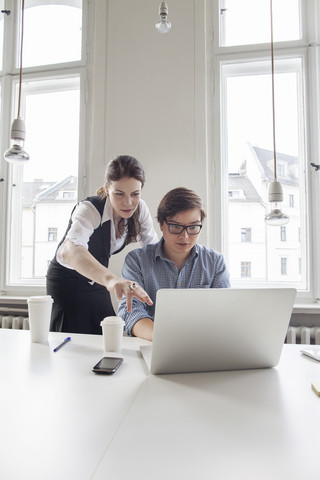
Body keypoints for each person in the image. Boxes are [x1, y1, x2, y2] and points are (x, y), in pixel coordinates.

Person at [46, 155, 158, 334]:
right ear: (107, 189)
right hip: (67, 282)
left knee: (106, 335)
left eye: (135, 194)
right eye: (119, 194)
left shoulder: (140, 209)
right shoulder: (89, 209)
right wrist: (113, 280)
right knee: (71, 345)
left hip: (98, 282)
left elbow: (153, 251)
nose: (128, 202)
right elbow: (70, 250)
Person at [118, 187, 230, 341]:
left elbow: (223, 313)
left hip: (203, 345)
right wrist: (166, 339)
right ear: (161, 224)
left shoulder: (215, 262)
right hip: (153, 344)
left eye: (192, 227)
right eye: (176, 227)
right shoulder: (137, 261)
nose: (184, 236)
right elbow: (131, 311)